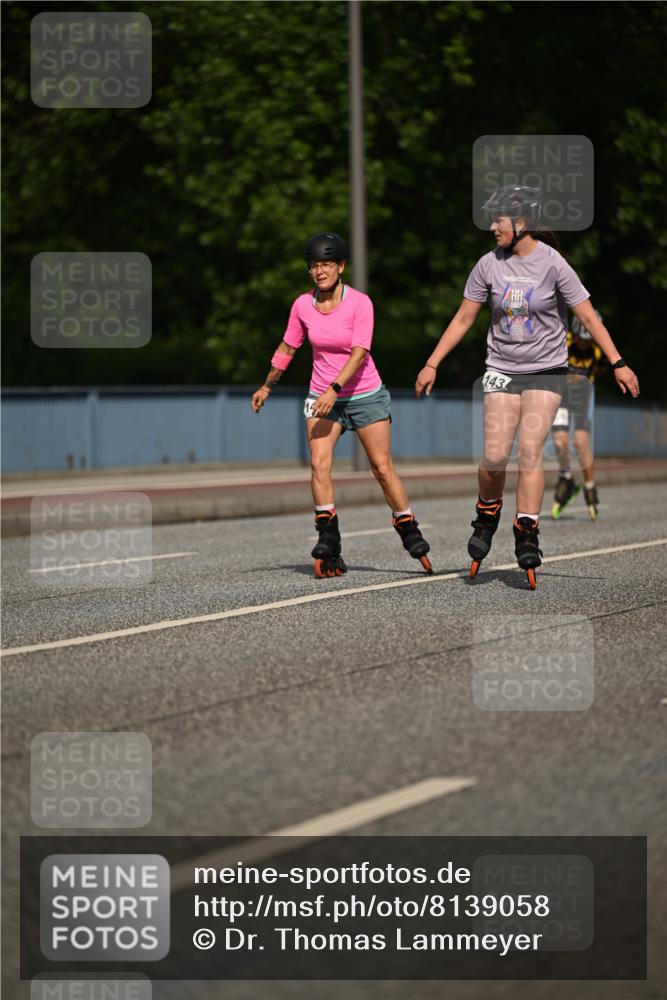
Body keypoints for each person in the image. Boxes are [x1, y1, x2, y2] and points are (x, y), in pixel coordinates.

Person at [415, 185, 639, 589]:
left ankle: (527, 530)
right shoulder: (487, 265)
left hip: (547, 369)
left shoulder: (553, 264)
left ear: (521, 223)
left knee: (532, 451)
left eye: (498, 219)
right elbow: (464, 319)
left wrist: (618, 362)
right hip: (501, 368)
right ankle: (487, 513)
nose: (492, 227)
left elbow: (588, 317)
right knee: (495, 455)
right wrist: (432, 362)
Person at [251, 232, 432, 578]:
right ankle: (328, 539)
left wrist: (335, 389)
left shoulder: (360, 303)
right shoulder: (303, 305)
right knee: (319, 465)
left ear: (341, 267)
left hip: (363, 392)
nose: (320, 271)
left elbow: (359, 352)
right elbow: (288, 348)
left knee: (381, 467)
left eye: (326, 265)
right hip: (321, 397)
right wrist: (266, 386)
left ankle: (407, 525)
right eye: (314, 266)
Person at [551, 310, 607, 519]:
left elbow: (600, 370)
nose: (583, 343)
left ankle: (590, 487)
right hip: (562, 396)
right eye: (581, 339)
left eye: (588, 339)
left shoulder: (598, 350)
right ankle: (566, 476)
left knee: (580, 442)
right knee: (559, 442)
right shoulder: (563, 341)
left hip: (583, 396)